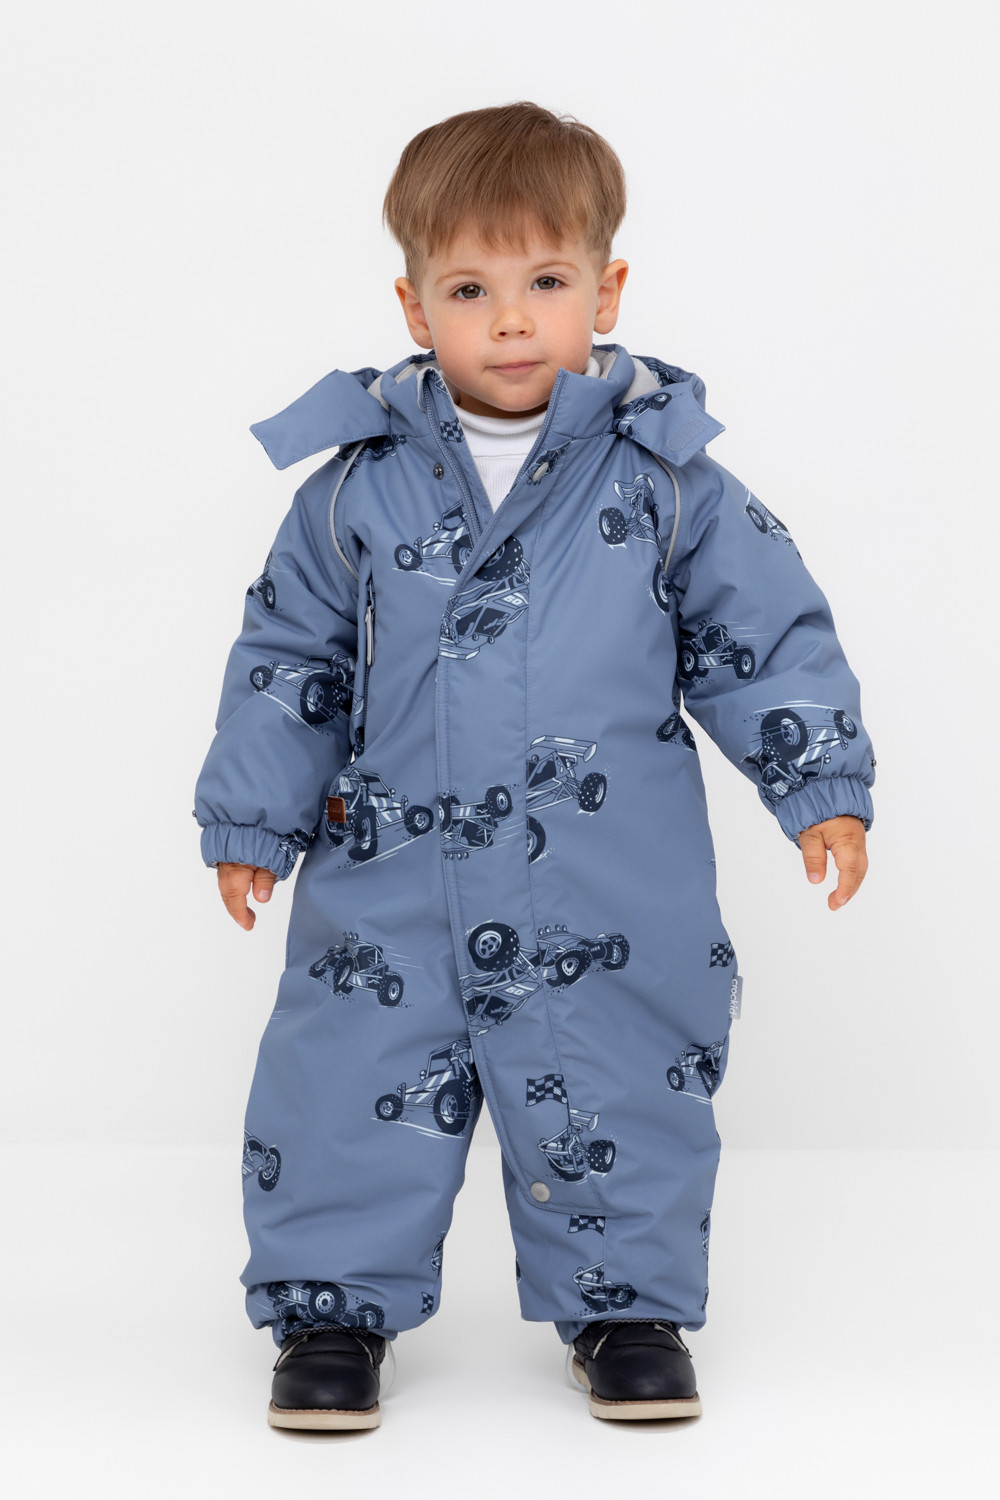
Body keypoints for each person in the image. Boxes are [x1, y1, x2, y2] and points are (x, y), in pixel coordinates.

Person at [194, 101, 874, 1430]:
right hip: (393, 876)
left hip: (606, 879)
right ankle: (331, 1313)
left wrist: (820, 790)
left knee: (623, 1066)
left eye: (546, 283)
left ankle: (627, 1305)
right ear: (414, 308)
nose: (511, 321)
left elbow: (768, 639)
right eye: (471, 290)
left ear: (605, 292)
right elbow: (289, 660)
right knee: (348, 1075)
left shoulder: (669, 486)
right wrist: (253, 817)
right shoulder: (353, 494)